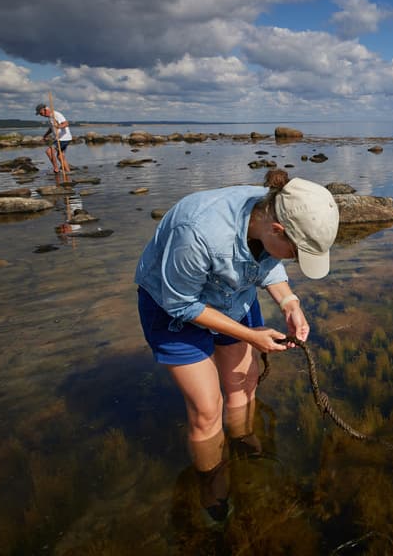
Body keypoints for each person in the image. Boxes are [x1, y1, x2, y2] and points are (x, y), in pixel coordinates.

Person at [134, 171, 339, 522]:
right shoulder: (198, 232)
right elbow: (181, 304)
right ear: (277, 229)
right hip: (173, 306)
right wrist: (251, 336)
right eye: (296, 252)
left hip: (231, 296)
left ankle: (243, 441)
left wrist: (289, 302)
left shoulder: (272, 208)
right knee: (207, 408)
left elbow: (268, 263)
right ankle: (213, 484)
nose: (294, 261)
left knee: (244, 382)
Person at [35, 103, 72, 173]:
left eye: (41, 113)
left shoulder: (56, 115)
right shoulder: (50, 117)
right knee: (60, 157)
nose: (41, 115)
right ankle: (68, 173)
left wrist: (58, 126)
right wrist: (45, 135)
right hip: (62, 139)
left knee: (49, 151)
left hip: (63, 138)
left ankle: (56, 169)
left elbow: (66, 123)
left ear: (44, 109)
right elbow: (51, 128)